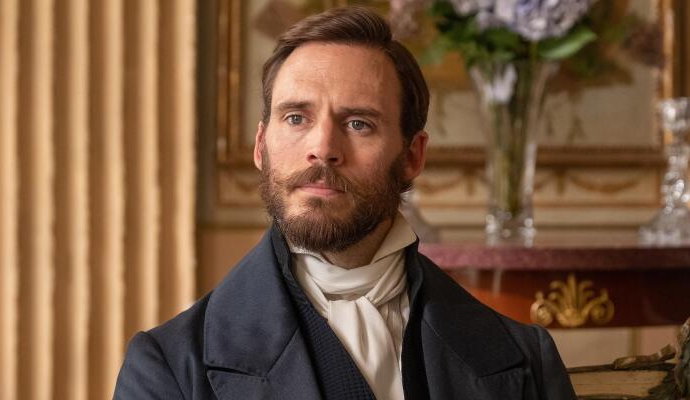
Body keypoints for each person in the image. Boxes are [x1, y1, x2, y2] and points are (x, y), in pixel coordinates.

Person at [113, 6, 575, 400]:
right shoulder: (169, 368)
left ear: (412, 156)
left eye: (358, 124)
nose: (323, 148)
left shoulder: (527, 359)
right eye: (296, 118)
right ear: (260, 146)